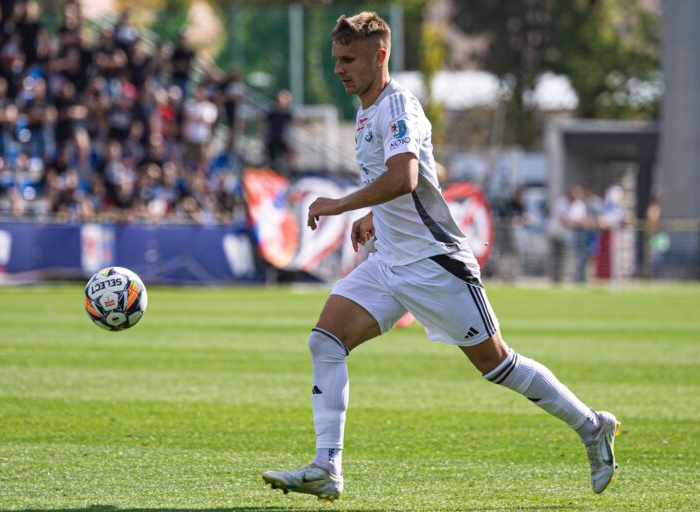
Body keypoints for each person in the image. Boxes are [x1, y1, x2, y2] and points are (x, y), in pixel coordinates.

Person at [262, 11, 621, 503]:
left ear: (379, 56)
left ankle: (591, 425)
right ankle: (327, 466)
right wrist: (374, 217)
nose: (339, 69)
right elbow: (402, 182)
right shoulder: (366, 111)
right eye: (336, 59)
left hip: (436, 262)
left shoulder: (398, 104)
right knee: (326, 339)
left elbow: (405, 177)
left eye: (348, 60)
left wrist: (342, 205)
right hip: (390, 261)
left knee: (496, 363)